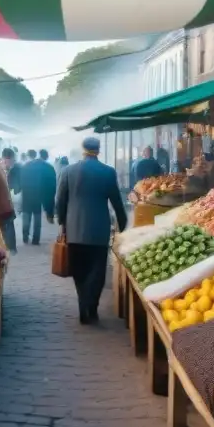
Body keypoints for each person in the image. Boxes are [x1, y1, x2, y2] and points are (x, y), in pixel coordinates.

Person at [56, 137, 128, 324]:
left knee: (79, 269)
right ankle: (92, 306)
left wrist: (62, 222)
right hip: (98, 230)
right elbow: (117, 203)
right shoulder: (108, 172)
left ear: (83, 149)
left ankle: (83, 305)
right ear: (98, 150)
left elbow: (60, 201)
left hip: (74, 230)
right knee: (97, 271)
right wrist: (122, 224)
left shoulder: (68, 171)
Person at [19, 150, 55, 245]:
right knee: (37, 219)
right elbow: (51, 188)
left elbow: (21, 181)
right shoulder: (48, 168)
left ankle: (25, 237)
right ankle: (36, 239)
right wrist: (49, 211)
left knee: (26, 217)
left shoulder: (26, 166)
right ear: (46, 157)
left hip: (27, 195)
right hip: (39, 197)